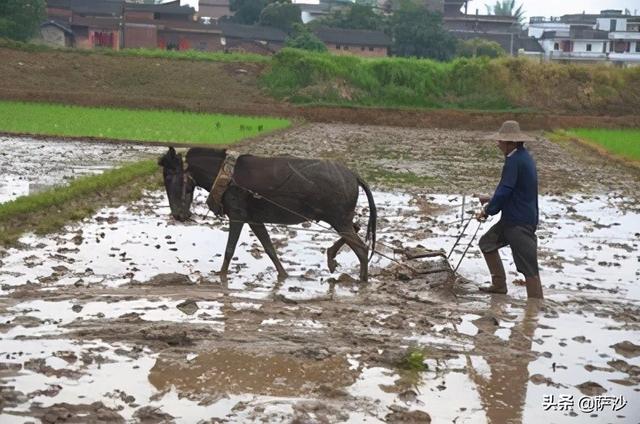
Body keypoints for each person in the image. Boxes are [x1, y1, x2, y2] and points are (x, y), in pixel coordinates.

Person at [475, 121, 543, 299]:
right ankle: (498, 286)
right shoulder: (522, 157)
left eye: (501, 141)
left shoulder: (514, 161)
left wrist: (487, 211)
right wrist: (491, 199)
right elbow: (513, 190)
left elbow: (505, 190)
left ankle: (535, 307)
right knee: (487, 243)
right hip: (512, 219)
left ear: (510, 142)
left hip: (520, 222)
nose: (498, 144)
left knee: (529, 268)